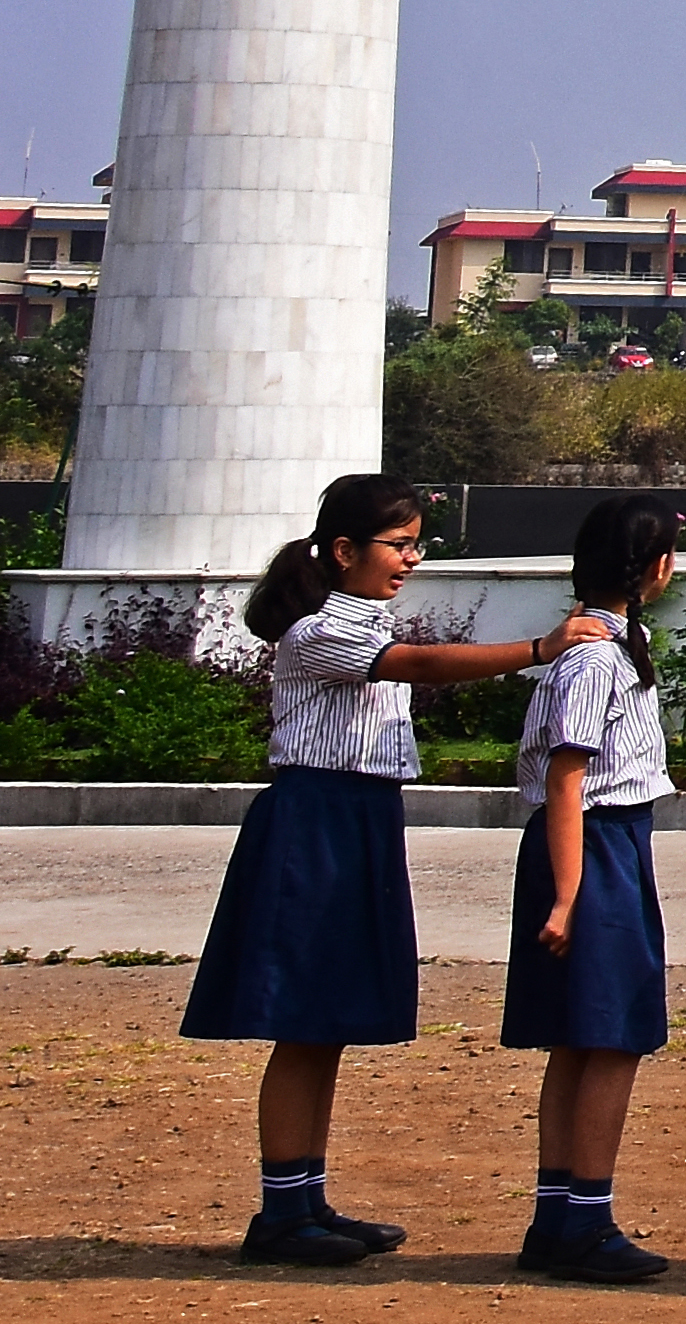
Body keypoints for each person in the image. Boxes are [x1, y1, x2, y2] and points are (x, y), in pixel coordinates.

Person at [187, 474, 618, 1267]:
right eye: (399, 544)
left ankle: (304, 1198)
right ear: (345, 550)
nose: (412, 559)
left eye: (417, 543)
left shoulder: (362, 618)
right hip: (316, 819)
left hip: (359, 815)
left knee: (327, 1021)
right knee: (302, 1021)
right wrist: (537, 649)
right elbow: (415, 664)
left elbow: (407, 657)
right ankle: (282, 1211)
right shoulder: (321, 630)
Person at [506, 497, 686, 1283]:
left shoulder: (614, 646)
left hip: (605, 845)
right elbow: (567, 775)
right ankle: (583, 1219)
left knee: (584, 1037)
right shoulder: (593, 659)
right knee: (611, 1038)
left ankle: (562, 1218)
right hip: (594, 848)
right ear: (657, 569)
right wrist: (569, 894)